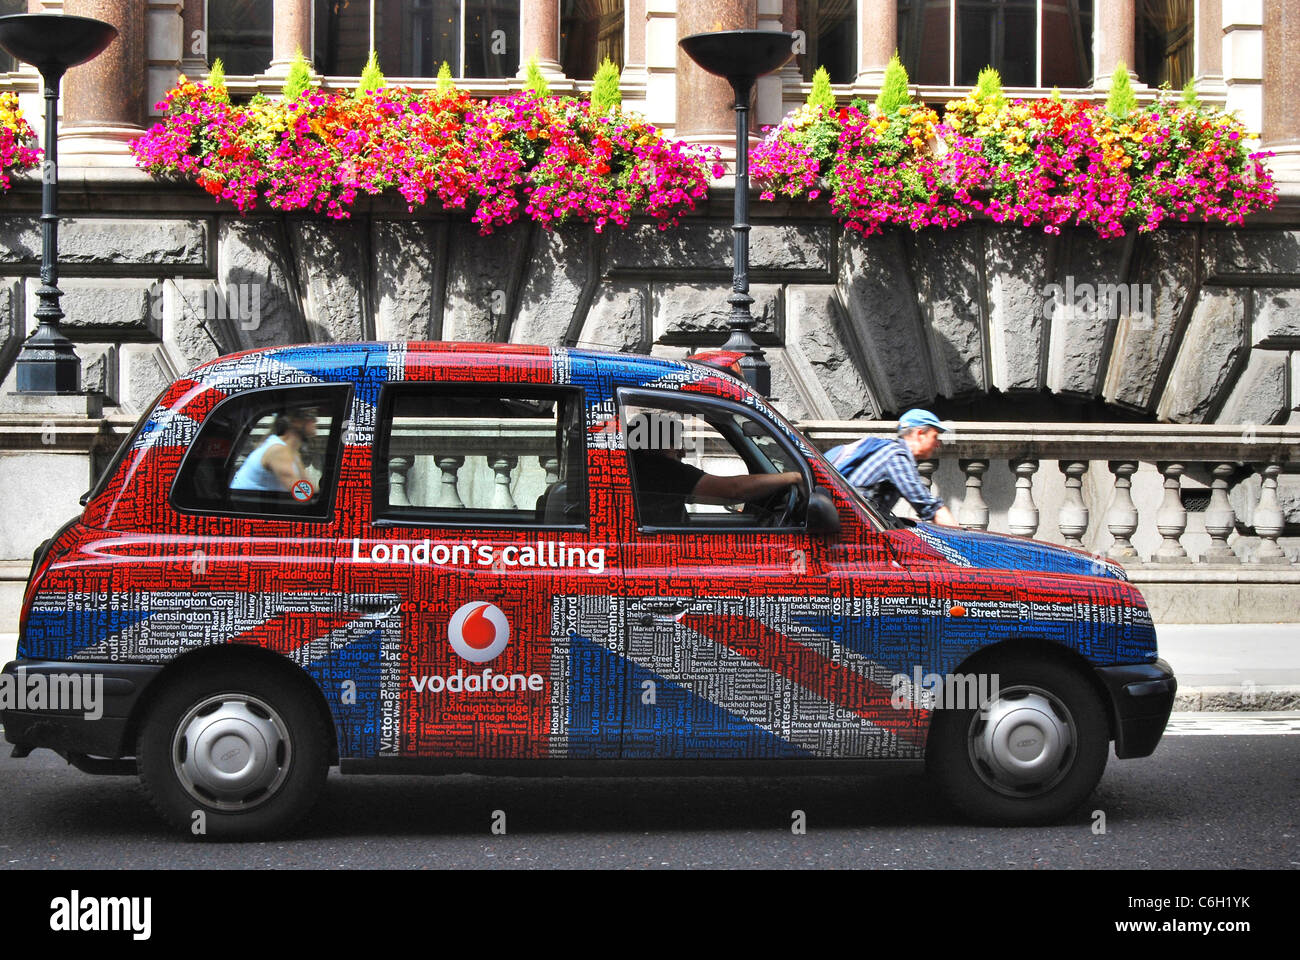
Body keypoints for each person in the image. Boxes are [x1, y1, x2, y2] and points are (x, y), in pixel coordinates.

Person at [626, 412, 804, 525]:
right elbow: (733, 490)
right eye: (673, 442)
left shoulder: (634, 469)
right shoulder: (661, 471)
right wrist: (794, 477)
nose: (682, 451)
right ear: (651, 446)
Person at [825, 408, 959, 526]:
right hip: (848, 531)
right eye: (935, 437)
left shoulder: (890, 451)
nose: (937, 444)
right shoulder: (896, 457)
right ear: (919, 434)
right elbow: (930, 507)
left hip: (848, 526)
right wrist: (965, 543)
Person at [229, 405, 319, 495]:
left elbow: (308, 486)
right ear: (295, 422)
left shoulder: (291, 450)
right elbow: (301, 493)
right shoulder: (278, 451)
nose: (316, 420)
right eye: (311, 415)